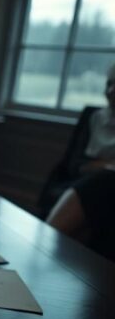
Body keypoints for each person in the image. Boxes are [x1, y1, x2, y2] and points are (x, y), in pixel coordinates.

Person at [46, 62, 115, 260]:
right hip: (84, 180)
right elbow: (74, 163)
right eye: (108, 84)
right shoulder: (95, 118)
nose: (110, 91)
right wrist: (102, 166)